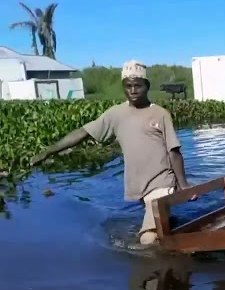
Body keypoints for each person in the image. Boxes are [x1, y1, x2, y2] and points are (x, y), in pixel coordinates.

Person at [30, 60, 195, 249]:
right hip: (139, 185)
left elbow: (174, 151)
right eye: (128, 86)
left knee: (148, 240)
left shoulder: (160, 114)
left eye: (138, 86)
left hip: (162, 184)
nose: (133, 90)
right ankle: (173, 238)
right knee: (162, 226)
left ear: (147, 86)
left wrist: (183, 185)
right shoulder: (116, 114)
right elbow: (83, 132)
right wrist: (48, 151)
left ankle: (157, 273)